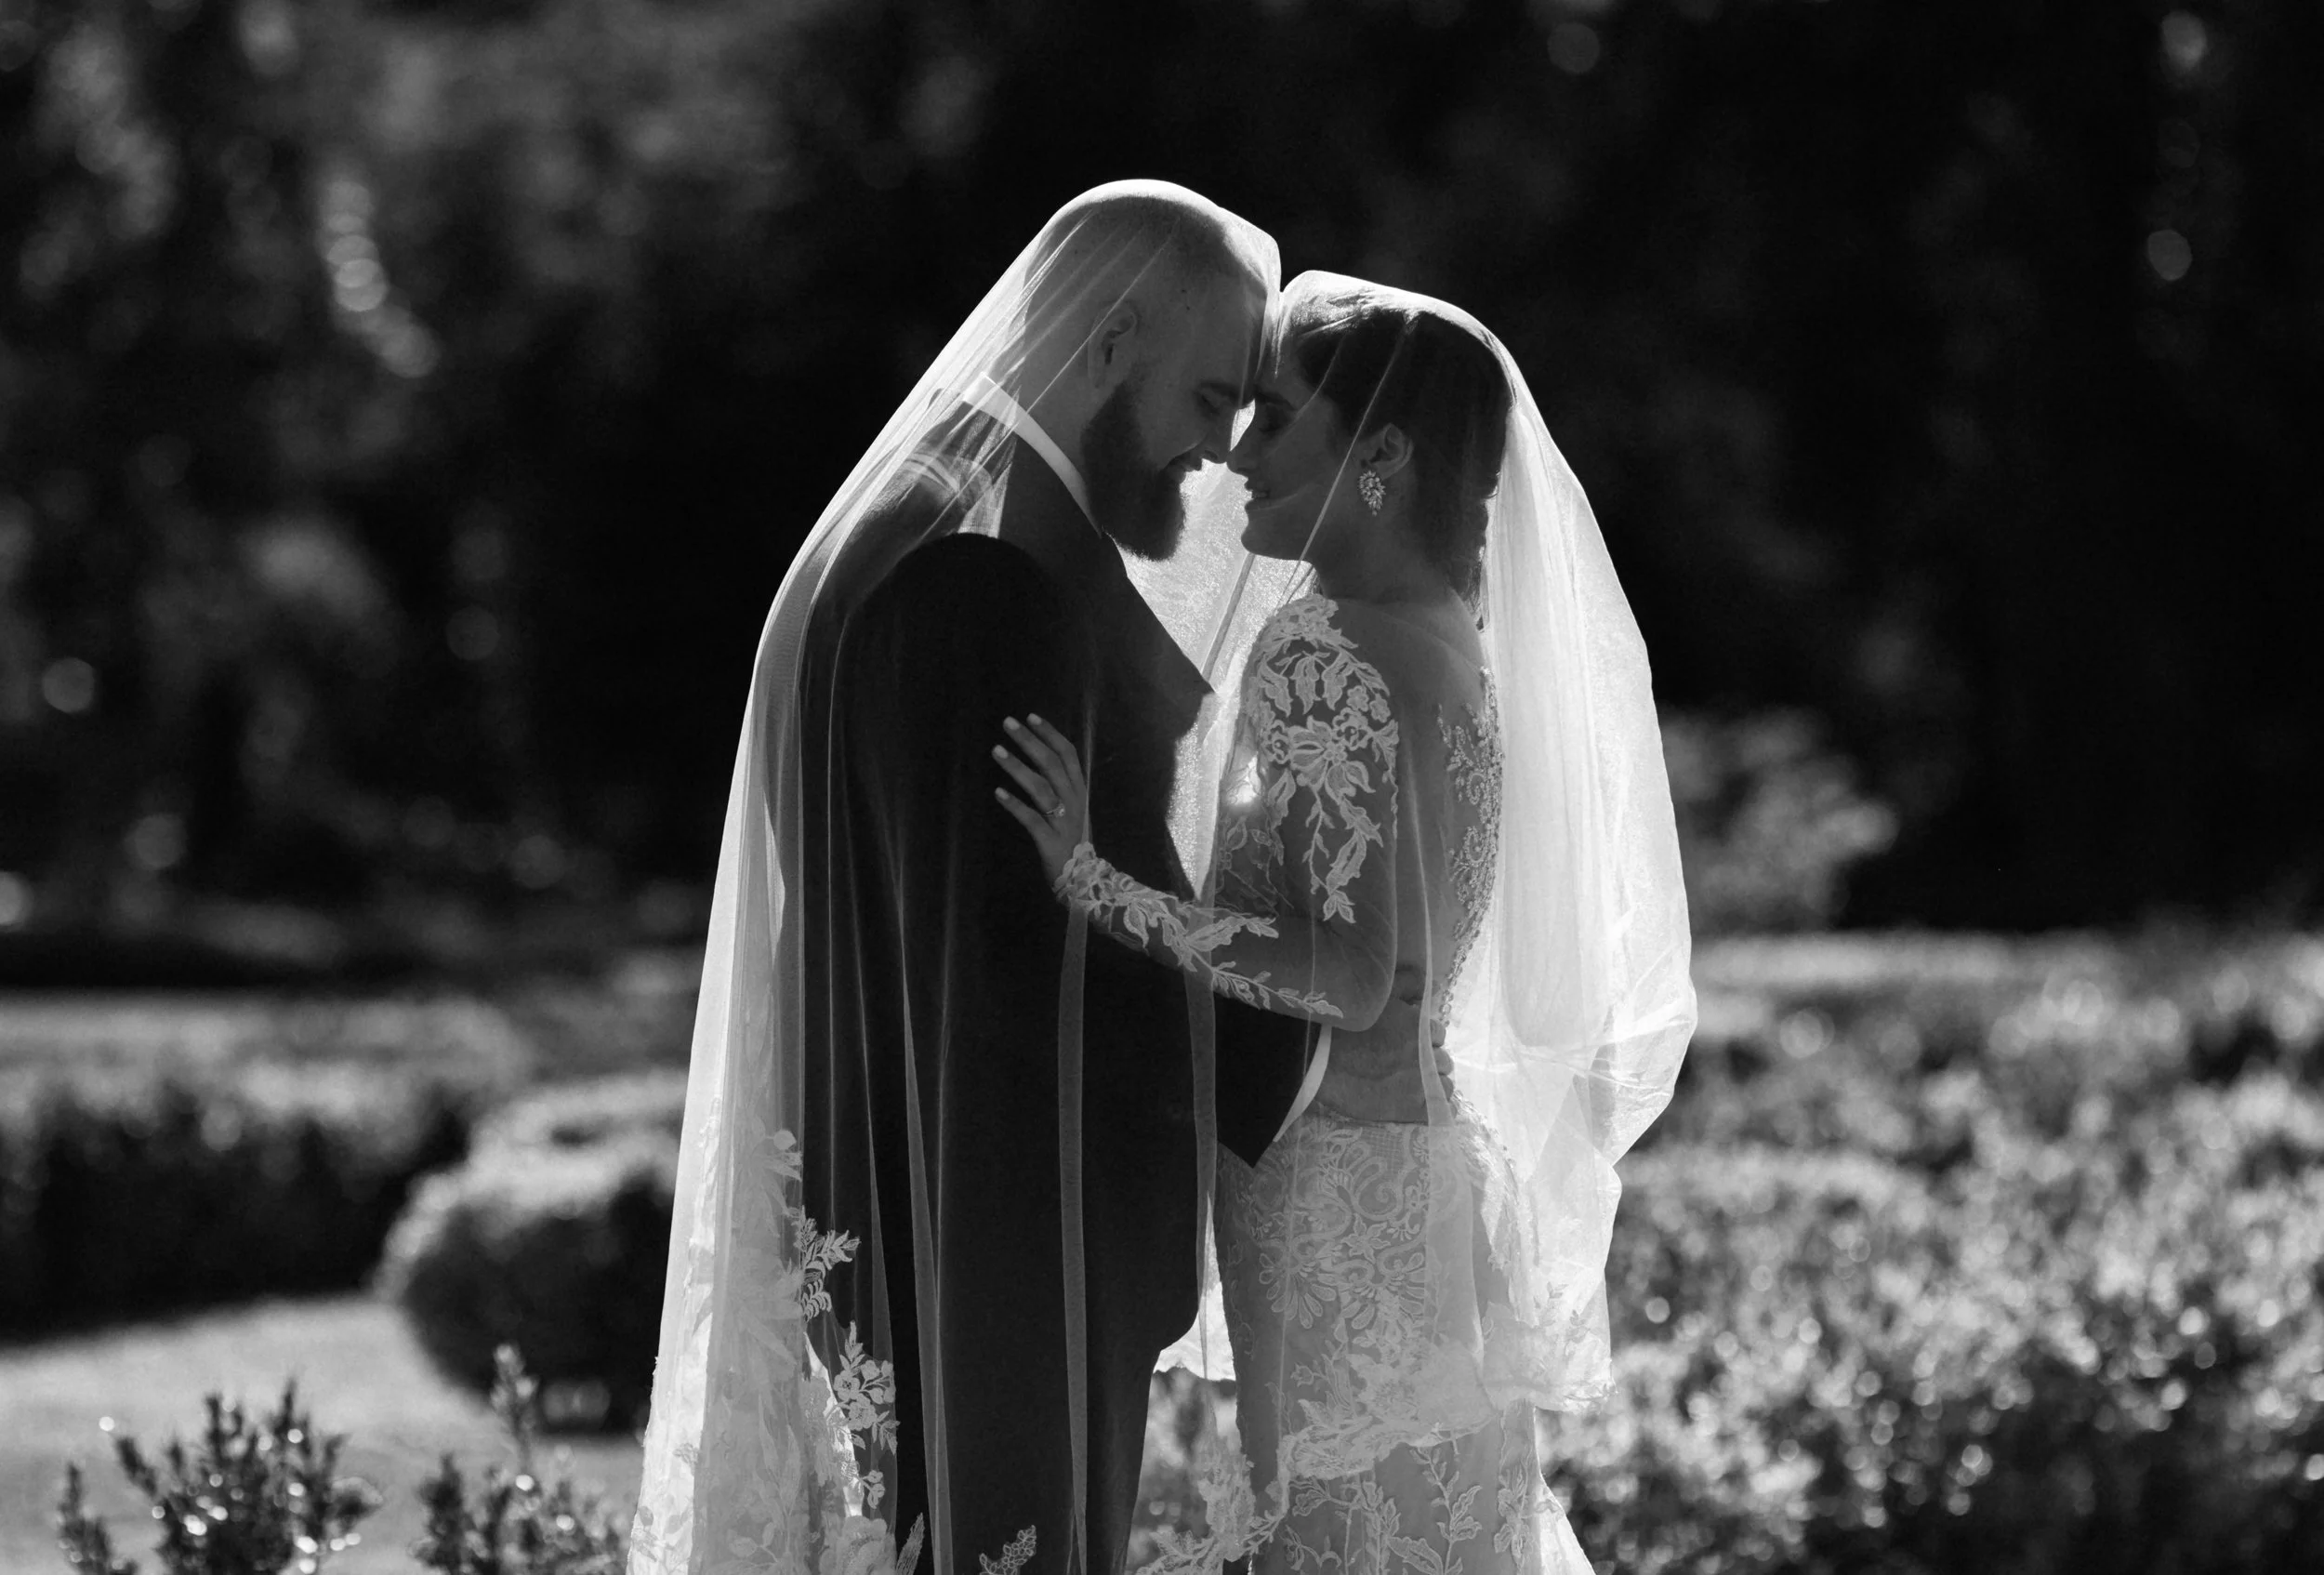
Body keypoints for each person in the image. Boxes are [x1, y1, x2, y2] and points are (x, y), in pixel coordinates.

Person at [627, 188, 1426, 1575]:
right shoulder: (984, 589)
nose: (1224, 449)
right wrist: (1319, 1020)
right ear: (1112, 341)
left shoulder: (914, 528)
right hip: (999, 1265)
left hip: (931, 1229)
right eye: (1210, 396)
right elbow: (1007, 999)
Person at [997, 274, 1697, 1572]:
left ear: (1377, 455)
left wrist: (1091, 879)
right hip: (1429, 1169)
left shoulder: (1325, 650)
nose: (1239, 457)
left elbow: (1355, 972)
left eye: (1275, 418)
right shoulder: (1450, 638)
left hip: (1330, 1196)